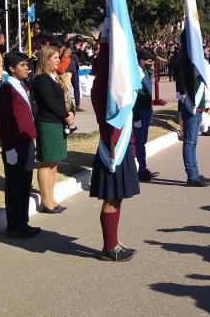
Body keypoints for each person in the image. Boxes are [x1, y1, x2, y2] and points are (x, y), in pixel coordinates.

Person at [89, 29, 139, 261]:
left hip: (120, 142)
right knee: (112, 197)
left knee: (116, 197)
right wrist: (108, 41)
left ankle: (113, 241)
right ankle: (109, 247)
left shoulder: (107, 83)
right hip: (113, 146)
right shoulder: (105, 85)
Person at [0, 51, 41, 238]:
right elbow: (4, 122)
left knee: (24, 184)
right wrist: (9, 148)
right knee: (15, 186)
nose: (27, 68)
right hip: (15, 145)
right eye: (22, 65)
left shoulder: (22, 85)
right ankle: (14, 225)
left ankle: (23, 222)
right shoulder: (6, 89)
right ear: (12, 68)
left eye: (27, 64)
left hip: (26, 141)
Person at [30, 46, 72, 213]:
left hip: (57, 122)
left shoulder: (53, 77)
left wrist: (69, 112)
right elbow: (50, 102)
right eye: (55, 57)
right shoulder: (41, 79)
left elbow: (61, 100)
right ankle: (46, 200)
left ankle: (52, 198)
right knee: (45, 161)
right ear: (46, 59)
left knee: (54, 162)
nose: (58, 60)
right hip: (47, 123)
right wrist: (65, 115)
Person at [176, 30, 210, 187]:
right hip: (192, 107)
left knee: (192, 143)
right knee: (190, 143)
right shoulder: (188, 60)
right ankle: (192, 175)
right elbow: (191, 84)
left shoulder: (188, 58)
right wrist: (197, 105)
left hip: (194, 106)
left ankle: (195, 173)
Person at [133, 48, 159, 181]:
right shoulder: (136, 73)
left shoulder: (144, 71)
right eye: (149, 61)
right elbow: (134, 96)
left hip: (146, 110)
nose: (151, 64)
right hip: (139, 112)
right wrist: (136, 117)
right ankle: (141, 169)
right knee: (139, 142)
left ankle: (143, 167)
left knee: (142, 142)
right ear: (142, 61)